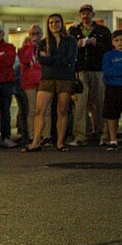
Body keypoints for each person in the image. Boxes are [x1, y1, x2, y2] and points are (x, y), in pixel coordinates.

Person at [25, 14, 78, 152]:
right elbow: (41, 60)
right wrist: (57, 58)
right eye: (51, 22)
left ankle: (60, 142)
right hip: (47, 77)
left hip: (65, 78)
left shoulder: (70, 40)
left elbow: (70, 59)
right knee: (39, 110)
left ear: (62, 23)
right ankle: (36, 141)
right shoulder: (44, 42)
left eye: (57, 22)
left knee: (62, 110)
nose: (54, 25)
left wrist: (51, 58)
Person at [68, 4, 112, 144]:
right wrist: (78, 44)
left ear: (93, 14)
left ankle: (102, 134)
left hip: (98, 70)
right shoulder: (73, 31)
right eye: (83, 13)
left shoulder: (102, 30)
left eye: (88, 13)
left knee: (100, 102)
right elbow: (68, 48)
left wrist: (96, 43)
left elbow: (109, 48)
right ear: (80, 15)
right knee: (80, 104)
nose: (85, 16)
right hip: (80, 70)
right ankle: (80, 135)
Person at [18, 24, 48, 146]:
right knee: (33, 110)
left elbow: (46, 62)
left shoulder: (47, 46)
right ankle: (32, 135)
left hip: (45, 80)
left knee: (46, 109)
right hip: (29, 83)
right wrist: (32, 46)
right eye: (32, 34)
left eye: (37, 33)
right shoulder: (24, 49)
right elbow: (25, 59)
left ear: (42, 34)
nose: (35, 36)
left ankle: (46, 136)